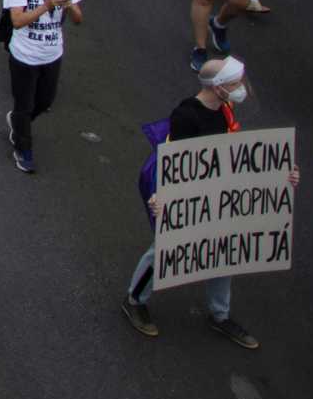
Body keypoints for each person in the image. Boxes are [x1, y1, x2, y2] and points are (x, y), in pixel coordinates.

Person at [121, 56, 287, 348]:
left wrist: (281, 175)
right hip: (188, 195)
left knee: (223, 251)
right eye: (235, 84)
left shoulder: (225, 109)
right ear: (219, 87)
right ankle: (134, 299)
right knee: (164, 249)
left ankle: (219, 315)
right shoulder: (187, 115)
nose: (241, 88)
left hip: (212, 195)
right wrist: (162, 196)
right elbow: (174, 159)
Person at [0, 0, 83, 174]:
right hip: (25, 56)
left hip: (52, 54)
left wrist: (69, 5)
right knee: (24, 104)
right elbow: (17, 21)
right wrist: (46, 6)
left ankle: (17, 121)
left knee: (45, 100)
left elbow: (78, 19)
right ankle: (23, 148)